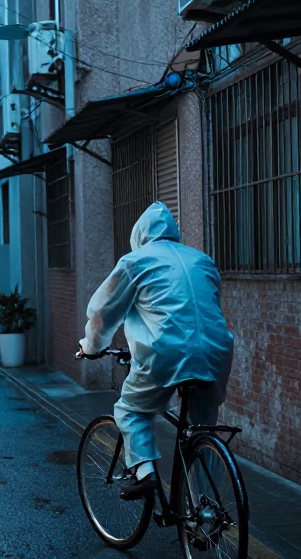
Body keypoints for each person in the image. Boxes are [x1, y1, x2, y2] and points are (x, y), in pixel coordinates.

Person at [78, 203, 234, 502]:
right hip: (217, 350)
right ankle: (206, 508)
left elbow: (103, 313)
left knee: (131, 410)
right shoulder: (202, 260)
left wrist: (91, 347)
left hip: (166, 353)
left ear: (139, 236)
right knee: (203, 429)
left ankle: (144, 473)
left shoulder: (135, 261)